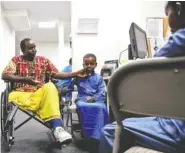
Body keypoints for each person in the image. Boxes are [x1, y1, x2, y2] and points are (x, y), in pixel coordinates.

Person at [99, 1, 185, 153]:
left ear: (178, 8)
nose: (168, 19)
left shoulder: (181, 39)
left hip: (179, 131)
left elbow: (150, 69)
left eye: (168, 14)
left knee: (109, 130)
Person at [1, 38, 85, 145]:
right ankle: (54, 124)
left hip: (39, 92)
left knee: (50, 86)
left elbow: (55, 74)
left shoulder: (43, 60)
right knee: (35, 94)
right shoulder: (16, 60)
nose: (34, 50)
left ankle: (57, 128)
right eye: (30, 48)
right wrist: (25, 79)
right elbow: (5, 75)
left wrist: (75, 74)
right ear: (23, 50)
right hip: (21, 93)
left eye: (35, 47)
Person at [65, 53, 109, 148]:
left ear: (95, 64)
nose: (89, 66)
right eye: (86, 64)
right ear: (83, 65)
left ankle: (98, 136)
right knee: (82, 106)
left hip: (97, 100)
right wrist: (68, 98)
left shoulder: (99, 78)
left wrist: (94, 98)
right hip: (82, 99)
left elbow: (102, 92)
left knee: (101, 107)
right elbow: (69, 88)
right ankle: (88, 135)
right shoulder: (78, 76)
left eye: (91, 64)